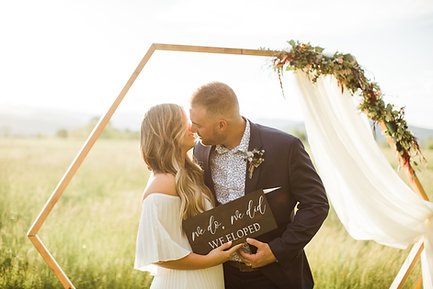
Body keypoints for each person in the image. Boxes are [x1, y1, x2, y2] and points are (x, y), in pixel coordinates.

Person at [190, 82, 329, 289]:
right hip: (222, 277)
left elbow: (316, 205)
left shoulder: (285, 147)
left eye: (198, 124)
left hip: (276, 276)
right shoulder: (201, 151)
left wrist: (276, 251)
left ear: (221, 124)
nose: (192, 129)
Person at [134, 103, 243, 289]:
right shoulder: (163, 184)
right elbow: (160, 255)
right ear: (167, 132)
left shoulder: (187, 175)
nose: (192, 127)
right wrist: (210, 260)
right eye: (184, 122)